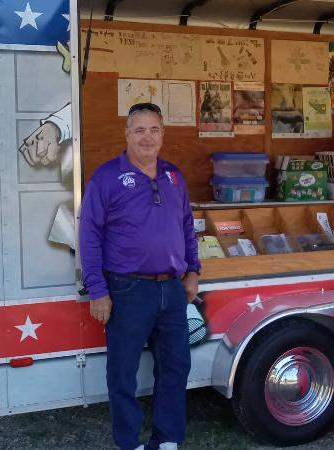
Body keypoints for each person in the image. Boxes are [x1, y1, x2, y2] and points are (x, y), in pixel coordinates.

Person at [79, 102, 201, 450]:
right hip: (128, 290)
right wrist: (97, 291)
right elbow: (89, 236)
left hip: (173, 290)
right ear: (127, 134)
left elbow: (186, 227)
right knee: (122, 374)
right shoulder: (106, 178)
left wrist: (193, 271)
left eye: (154, 129)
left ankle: (167, 440)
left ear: (163, 134)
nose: (147, 137)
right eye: (140, 130)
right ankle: (129, 443)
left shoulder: (174, 176)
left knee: (175, 368)